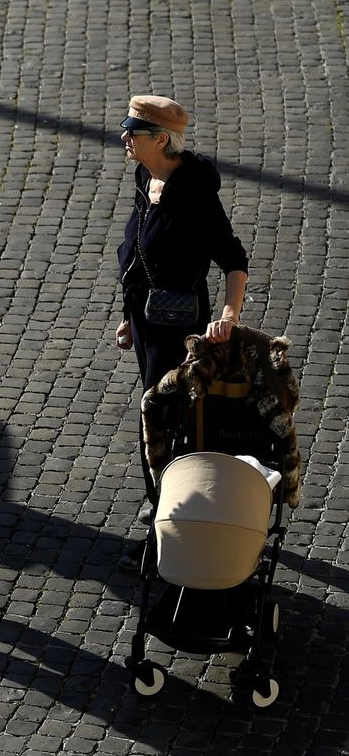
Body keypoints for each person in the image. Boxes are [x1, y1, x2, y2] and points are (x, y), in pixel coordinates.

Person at [113, 95, 249, 555]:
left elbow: (233, 258)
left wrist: (229, 315)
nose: (125, 137)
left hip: (176, 329)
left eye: (134, 131)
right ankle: (175, 515)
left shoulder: (193, 194)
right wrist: (129, 318)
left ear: (162, 139)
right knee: (162, 416)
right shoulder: (145, 177)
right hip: (147, 320)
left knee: (162, 420)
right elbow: (140, 255)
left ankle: (166, 528)